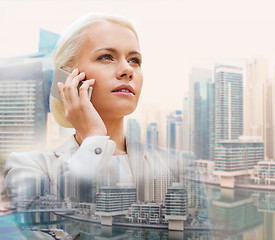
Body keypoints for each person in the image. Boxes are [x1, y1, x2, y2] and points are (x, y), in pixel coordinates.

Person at [3, 13, 208, 235]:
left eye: (134, 60)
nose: (127, 70)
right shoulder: (28, 167)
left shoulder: (181, 165)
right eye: (106, 57)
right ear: (66, 78)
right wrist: (93, 140)